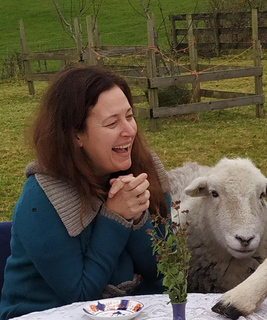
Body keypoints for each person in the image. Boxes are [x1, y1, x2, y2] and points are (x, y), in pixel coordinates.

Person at [0, 65, 171, 319]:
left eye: (130, 116)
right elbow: (80, 296)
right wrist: (116, 219)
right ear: (76, 135)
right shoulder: (41, 198)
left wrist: (136, 219)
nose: (129, 130)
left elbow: (168, 274)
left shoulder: (145, 171)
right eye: (112, 122)